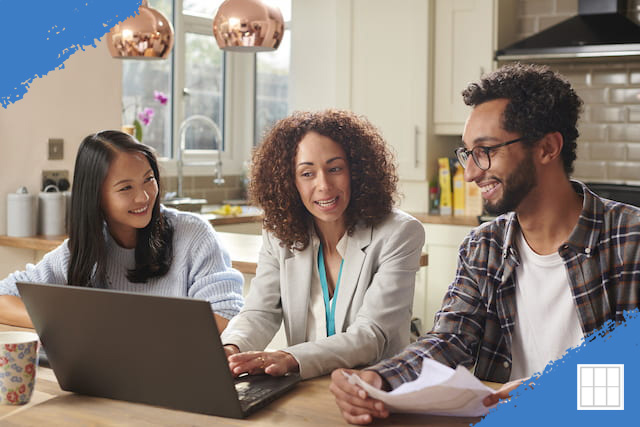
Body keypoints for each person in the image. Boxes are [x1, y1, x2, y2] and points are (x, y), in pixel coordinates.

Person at [330, 63, 640, 424]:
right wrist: (380, 378)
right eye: (468, 153)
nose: (472, 172)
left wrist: (552, 388)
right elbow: (450, 339)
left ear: (547, 148)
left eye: (486, 150)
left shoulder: (629, 239)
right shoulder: (484, 246)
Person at [220, 109, 425, 379]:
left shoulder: (400, 233)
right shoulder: (279, 233)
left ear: (357, 171)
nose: (324, 185)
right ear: (289, 181)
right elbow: (261, 310)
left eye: (335, 169)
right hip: (305, 389)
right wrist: (231, 347)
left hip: (373, 389)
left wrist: (289, 357)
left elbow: (371, 335)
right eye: (307, 173)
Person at [0, 130, 243, 332]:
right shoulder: (81, 250)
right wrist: (66, 324)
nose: (144, 196)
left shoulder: (193, 235)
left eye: (149, 179)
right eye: (126, 188)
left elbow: (226, 317)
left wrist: (124, 328)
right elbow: (4, 298)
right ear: (96, 197)